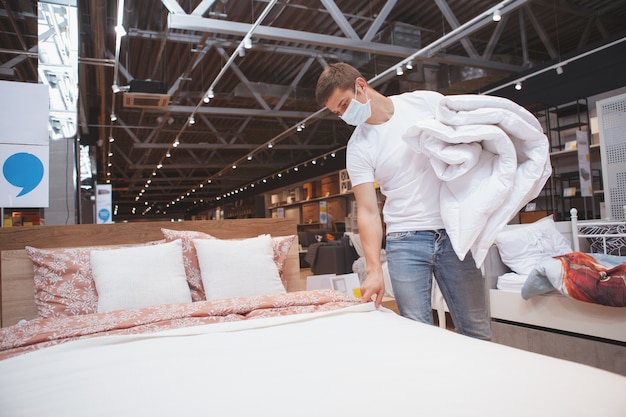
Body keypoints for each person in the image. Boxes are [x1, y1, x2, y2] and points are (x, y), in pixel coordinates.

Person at [315, 62, 491, 340]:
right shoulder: (358, 147)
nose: (344, 115)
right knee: (417, 336)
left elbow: (468, 140)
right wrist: (373, 269)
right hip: (405, 241)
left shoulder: (424, 103)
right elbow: (369, 211)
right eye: (338, 112)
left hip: (455, 233)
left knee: (476, 329)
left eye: (345, 104)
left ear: (361, 85)